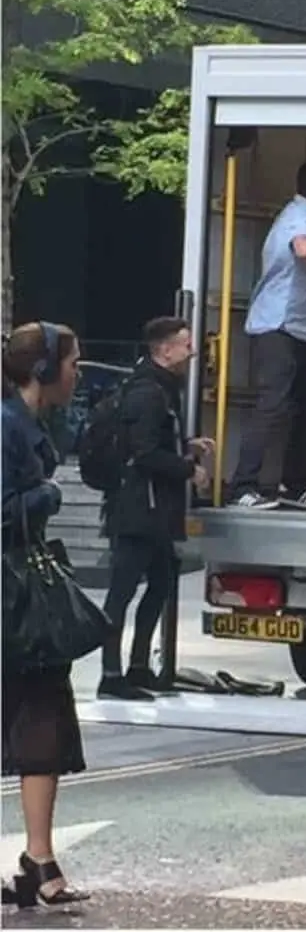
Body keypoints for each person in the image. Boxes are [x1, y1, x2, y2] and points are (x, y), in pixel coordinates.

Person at [2, 321, 90, 907]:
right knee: (34, 713)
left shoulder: (31, 421)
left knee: (42, 719)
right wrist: (49, 496)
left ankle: (40, 857)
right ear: (43, 370)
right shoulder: (6, 426)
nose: (77, 373)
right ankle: (39, 859)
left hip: (23, 597)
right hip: (9, 597)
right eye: (73, 362)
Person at [98, 317, 212, 701]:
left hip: (155, 512)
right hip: (137, 512)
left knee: (162, 584)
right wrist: (189, 469)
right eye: (186, 345)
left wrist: (186, 445)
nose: (192, 352)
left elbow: (153, 440)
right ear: (165, 350)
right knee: (122, 593)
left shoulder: (161, 388)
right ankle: (111, 674)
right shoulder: (148, 392)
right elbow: (144, 452)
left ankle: (139, 666)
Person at [229, 159, 306, 511]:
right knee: (273, 404)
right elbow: (304, 249)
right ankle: (243, 485)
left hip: (298, 328)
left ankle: (297, 485)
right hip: (280, 326)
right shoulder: (300, 215)